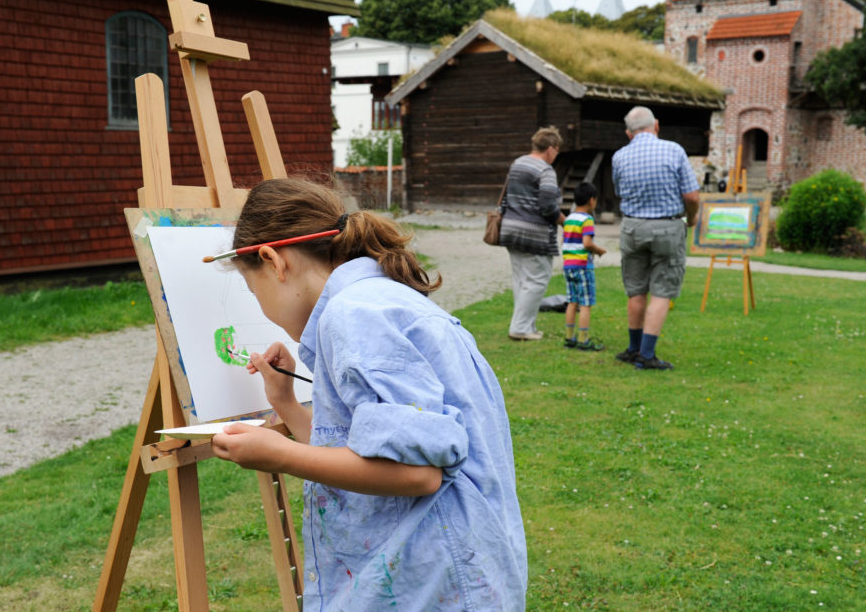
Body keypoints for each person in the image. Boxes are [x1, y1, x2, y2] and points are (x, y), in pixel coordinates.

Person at [210, 178, 527, 611]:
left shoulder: (355, 314)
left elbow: (417, 473)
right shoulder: (376, 300)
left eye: (253, 290)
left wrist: (279, 455)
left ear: (273, 260)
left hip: (434, 586)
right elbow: (367, 456)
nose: (260, 305)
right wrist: (286, 403)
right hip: (451, 576)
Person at [611, 106, 700, 370]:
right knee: (662, 291)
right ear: (656, 125)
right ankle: (646, 356)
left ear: (629, 133)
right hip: (667, 226)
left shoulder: (619, 156)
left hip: (632, 227)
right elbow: (692, 196)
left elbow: (619, 191)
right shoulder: (674, 151)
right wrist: (692, 219)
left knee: (636, 289)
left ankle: (632, 348)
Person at [499, 126, 565, 341]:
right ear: (551, 148)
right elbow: (548, 206)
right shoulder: (545, 170)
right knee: (536, 281)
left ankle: (526, 326)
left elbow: (506, 197)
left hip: (510, 229)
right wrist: (566, 221)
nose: (556, 155)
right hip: (534, 234)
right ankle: (520, 328)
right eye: (557, 150)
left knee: (521, 280)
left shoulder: (518, 163)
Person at [561, 182, 608, 351]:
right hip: (582, 265)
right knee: (586, 304)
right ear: (591, 200)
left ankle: (569, 337)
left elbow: (564, 242)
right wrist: (598, 250)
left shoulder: (569, 219)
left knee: (572, 301)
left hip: (568, 265)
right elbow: (587, 243)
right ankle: (583, 339)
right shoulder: (587, 220)